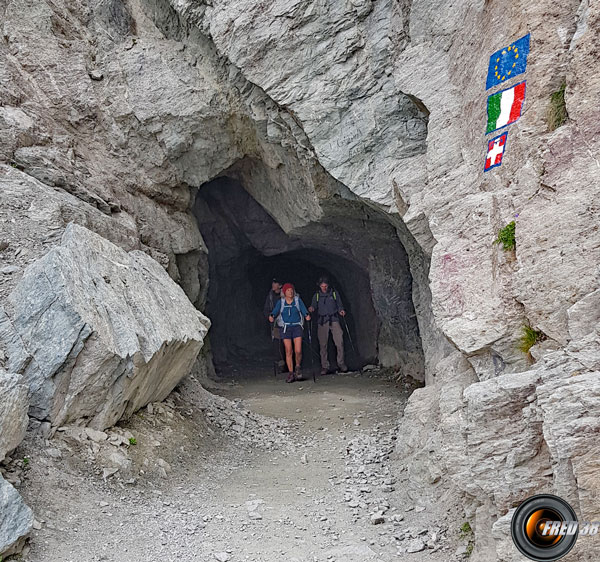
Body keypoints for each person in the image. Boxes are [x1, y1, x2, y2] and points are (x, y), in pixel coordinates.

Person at [269, 283, 311, 383]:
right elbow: (275, 311)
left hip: (297, 326)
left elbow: (304, 310)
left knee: (298, 350)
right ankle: (291, 373)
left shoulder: (297, 301)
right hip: (285, 327)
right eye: (288, 290)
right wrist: (271, 316)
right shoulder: (281, 302)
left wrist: (307, 315)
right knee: (288, 351)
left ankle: (297, 367)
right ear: (284, 292)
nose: (290, 292)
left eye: (291, 290)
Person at [309, 276, 347, 375]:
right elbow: (313, 305)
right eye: (322, 286)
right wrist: (312, 308)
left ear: (328, 285)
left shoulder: (334, 293)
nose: (324, 288)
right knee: (323, 344)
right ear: (319, 286)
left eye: (325, 286)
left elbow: (339, 304)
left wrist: (341, 310)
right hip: (322, 320)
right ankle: (324, 366)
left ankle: (341, 363)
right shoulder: (317, 295)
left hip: (334, 319)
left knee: (339, 342)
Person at [263, 278, 286, 373]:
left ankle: (292, 365)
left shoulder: (287, 294)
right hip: (276, 324)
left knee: (288, 345)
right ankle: (282, 365)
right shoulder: (271, 296)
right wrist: (269, 316)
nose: (273, 284)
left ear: (280, 285)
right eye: (273, 282)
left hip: (288, 323)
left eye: (275, 283)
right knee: (277, 344)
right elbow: (266, 309)